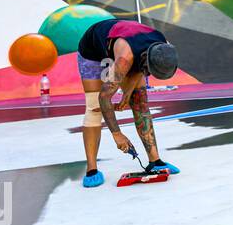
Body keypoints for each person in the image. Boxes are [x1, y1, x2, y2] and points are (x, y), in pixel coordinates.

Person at [76, 18, 181, 188]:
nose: (148, 74)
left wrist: (128, 91)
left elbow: (142, 68)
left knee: (140, 103)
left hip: (128, 48)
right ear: (147, 58)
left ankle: (155, 161)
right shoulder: (126, 58)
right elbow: (104, 97)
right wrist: (117, 135)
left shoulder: (164, 47)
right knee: (94, 107)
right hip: (92, 50)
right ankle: (92, 169)